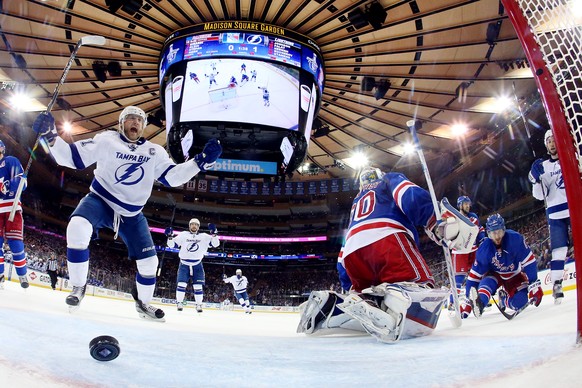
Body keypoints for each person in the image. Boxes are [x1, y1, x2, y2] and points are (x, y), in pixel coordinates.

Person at [32, 106, 222, 321]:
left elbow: (173, 177)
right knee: (77, 227)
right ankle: (78, 287)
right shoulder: (106, 140)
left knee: (150, 264)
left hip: (132, 214)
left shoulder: (155, 151)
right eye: (130, 119)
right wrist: (50, 136)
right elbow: (72, 158)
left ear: (143, 126)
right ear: (121, 123)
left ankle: (144, 304)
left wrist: (199, 162)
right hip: (100, 201)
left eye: (140, 120)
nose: (136, 123)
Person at [298, 167, 478, 343]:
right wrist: (433, 219)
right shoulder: (387, 180)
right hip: (387, 240)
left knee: (366, 296)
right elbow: (409, 194)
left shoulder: (356, 201)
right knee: (420, 285)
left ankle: (336, 306)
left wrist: (350, 286)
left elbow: (344, 255)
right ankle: (399, 299)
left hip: (352, 255)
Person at [460, 214, 543, 318]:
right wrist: (469, 300)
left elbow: (529, 262)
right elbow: (474, 277)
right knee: (487, 283)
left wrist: (534, 284)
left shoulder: (515, 239)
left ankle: (504, 299)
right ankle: (480, 303)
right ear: (488, 234)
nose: (497, 237)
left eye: (499, 232)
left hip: (514, 276)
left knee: (521, 301)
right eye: (493, 233)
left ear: (504, 230)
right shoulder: (484, 249)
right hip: (496, 275)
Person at [528, 129, 569, 304]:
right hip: (555, 213)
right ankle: (557, 284)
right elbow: (539, 195)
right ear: (546, 144)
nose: (552, 143)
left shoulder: (570, 158)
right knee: (559, 251)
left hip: (574, 208)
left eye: (554, 140)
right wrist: (535, 179)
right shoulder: (543, 166)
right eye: (549, 141)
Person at [166, 218, 219, 313]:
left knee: (198, 286)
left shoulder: (204, 236)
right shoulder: (183, 235)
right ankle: (179, 303)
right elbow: (172, 245)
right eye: (192, 224)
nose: (194, 226)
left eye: (196, 224)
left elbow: (215, 244)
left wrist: (214, 234)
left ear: (198, 227)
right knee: (181, 284)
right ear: (189, 225)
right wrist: (170, 237)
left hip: (197, 264)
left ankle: (199, 305)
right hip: (184, 264)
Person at [0, 139, 29, 289]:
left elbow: (21, 182)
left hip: (11, 206)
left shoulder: (10, 161)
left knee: (15, 243)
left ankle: (22, 273)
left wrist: (11, 186)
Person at [447, 196, 485, 309]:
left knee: (479, 274)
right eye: (465, 204)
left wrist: (482, 239)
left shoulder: (473, 217)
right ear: (459, 205)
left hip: (473, 251)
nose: (468, 205)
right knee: (459, 277)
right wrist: (448, 242)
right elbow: (447, 234)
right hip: (460, 252)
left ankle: (479, 299)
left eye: (468, 203)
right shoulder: (453, 218)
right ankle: (453, 302)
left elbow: (480, 229)